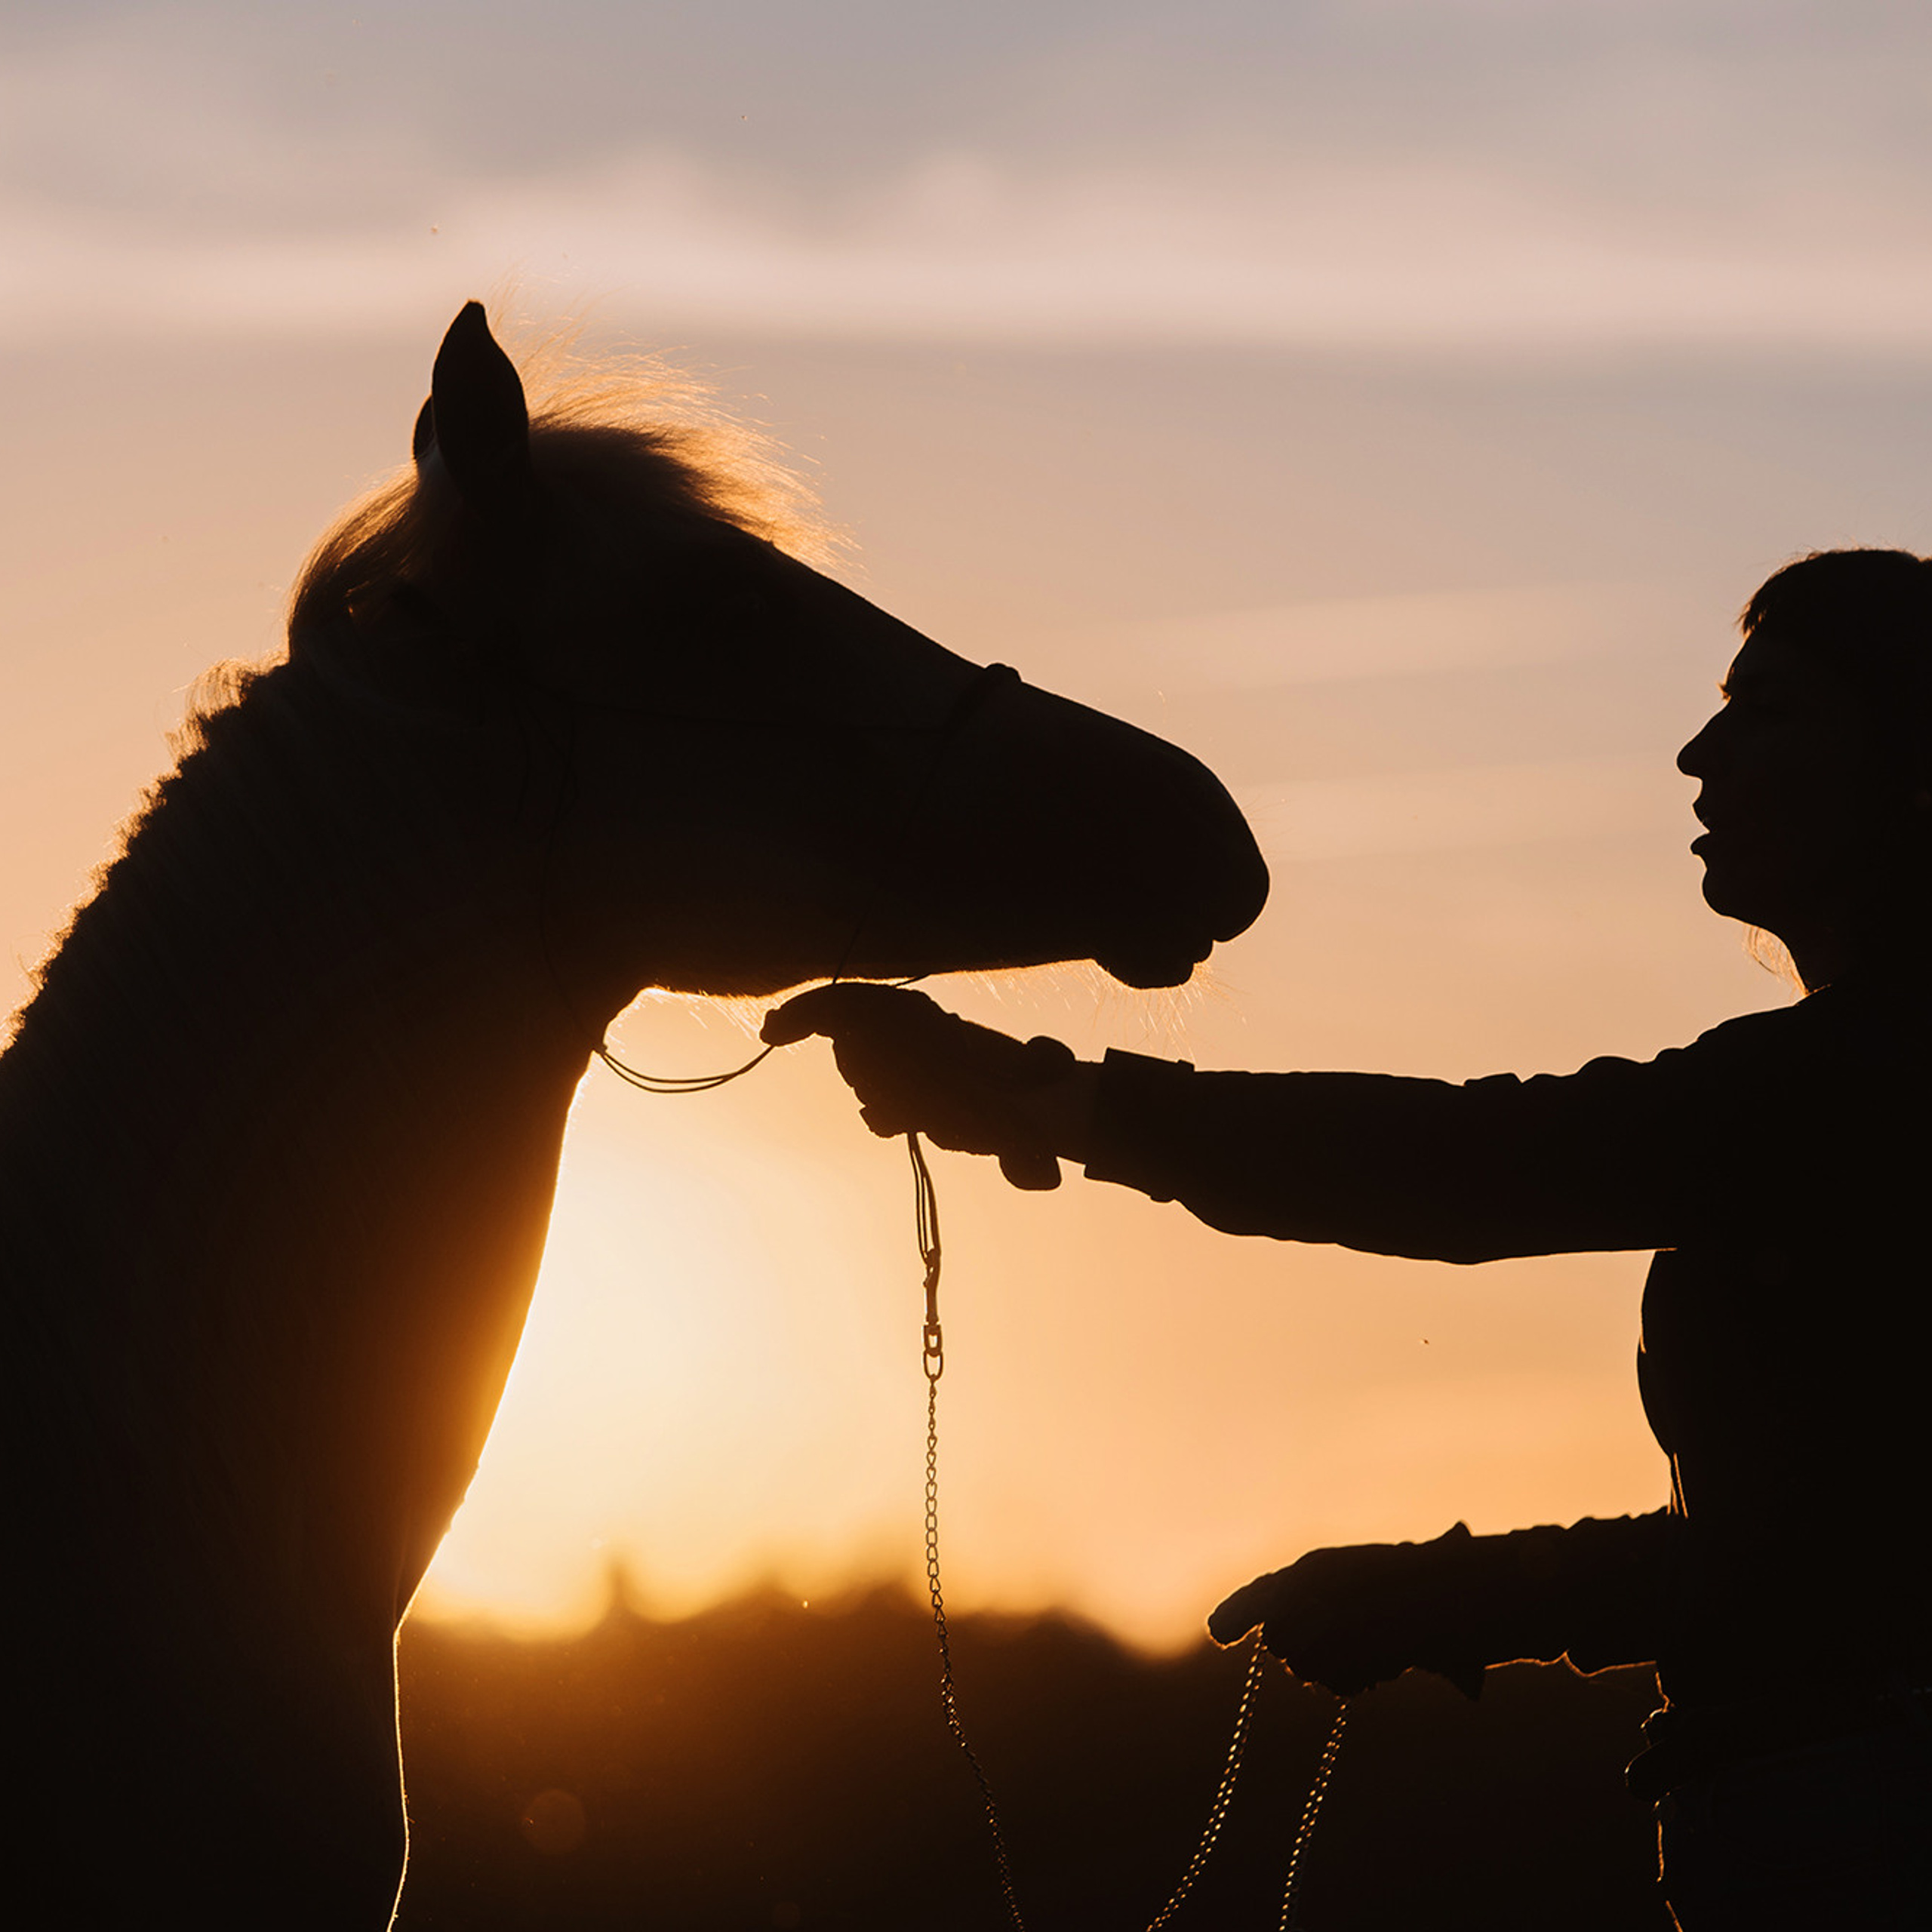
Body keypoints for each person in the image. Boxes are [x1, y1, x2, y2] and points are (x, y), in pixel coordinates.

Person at [763, 548, 1932, 1931]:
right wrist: (1459, 1596)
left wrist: (1045, 1096)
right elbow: (1822, 1547)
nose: (1696, 751)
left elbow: (1477, 1167)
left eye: (1770, 711)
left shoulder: (1871, 1079)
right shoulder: (1829, 1087)